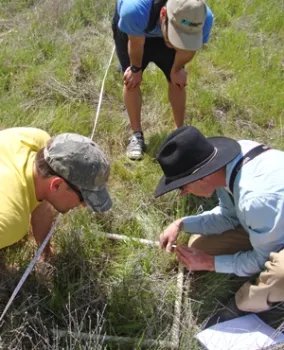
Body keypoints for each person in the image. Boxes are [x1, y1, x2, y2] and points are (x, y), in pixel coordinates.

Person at [154, 125, 284, 326]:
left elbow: (262, 259)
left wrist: (210, 263)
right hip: (271, 221)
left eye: (183, 185)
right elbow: (228, 216)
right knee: (198, 246)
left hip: (269, 222)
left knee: (278, 274)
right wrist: (180, 224)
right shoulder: (227, 166)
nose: (183, 193)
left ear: (202, 177)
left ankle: (242, 306)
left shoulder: (254, 199)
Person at [112, 0, 214, 160]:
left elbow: (189, 49)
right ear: (163, 14)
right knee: (132, 81)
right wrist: (135, 69)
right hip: (136, 33)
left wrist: (177, 68)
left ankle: (179, 134)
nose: (175, 44)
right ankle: (137, 135)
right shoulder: (134, 11)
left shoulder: (203, 18)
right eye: (175, 36)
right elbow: (136, 42)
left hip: (158, 25)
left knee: (178, 82)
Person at [0, 127, 112, 260]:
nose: (84, 205)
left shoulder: (41, 142)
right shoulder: (9, 221)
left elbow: (42, 209)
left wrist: (45, 250)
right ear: (57, 185)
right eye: (82, 197)